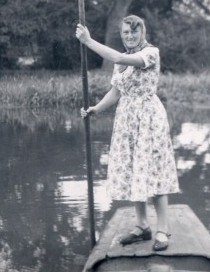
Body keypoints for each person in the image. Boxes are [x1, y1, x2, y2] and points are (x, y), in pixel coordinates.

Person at [76, 15, 179, 251]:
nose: (130, 36)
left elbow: (121, 56)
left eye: (134, 32)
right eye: (125, 33)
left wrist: (89, 42)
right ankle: (142, 226)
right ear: (121, 34)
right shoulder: (119, 62)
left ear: (142, 32)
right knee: (134, 170)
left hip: (149, 118)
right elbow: (115, 92)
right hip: (126, 119)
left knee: (154, 172)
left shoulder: (150, 53)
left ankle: (162, 230)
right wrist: (95, 109)